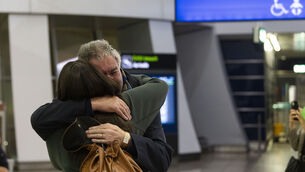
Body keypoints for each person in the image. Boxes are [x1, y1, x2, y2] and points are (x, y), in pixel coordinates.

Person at [31, 40, 173, 172]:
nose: (109, 79)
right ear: (87, 75)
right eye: (101, 75)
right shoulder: (79, 96)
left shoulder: (141, 94)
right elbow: (40, 118)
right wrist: (92, 104)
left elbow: (162, 158)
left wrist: (125, 138)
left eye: (113, 72)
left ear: (120, 67)